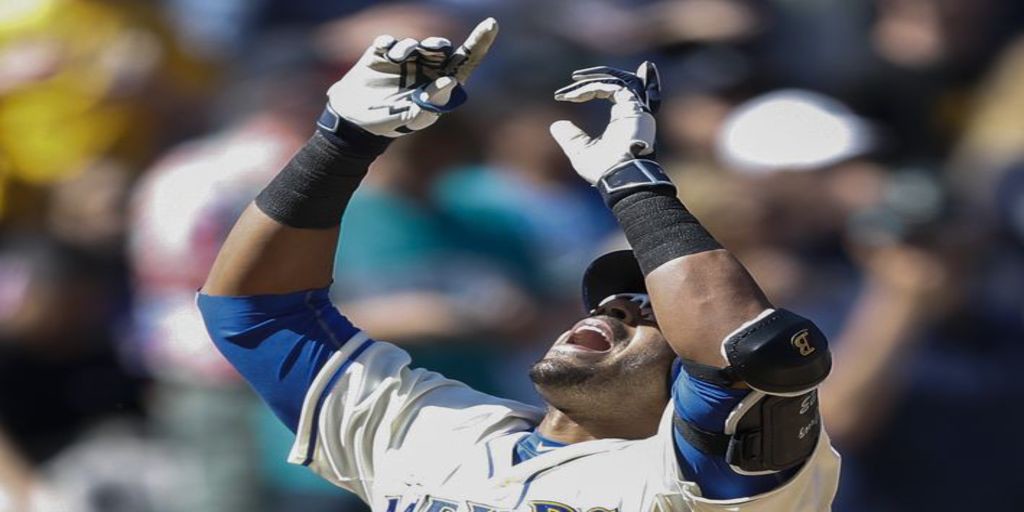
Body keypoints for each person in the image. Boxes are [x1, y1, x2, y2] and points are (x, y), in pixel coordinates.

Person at [197, 19, 840, 510]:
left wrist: (633, 182)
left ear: (687, 393)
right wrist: (342, 140)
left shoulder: (695, 483)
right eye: (616, 299)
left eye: (648, 311)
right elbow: (253, 312)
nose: (617, 305)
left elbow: (752, 353)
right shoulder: (431, 432)